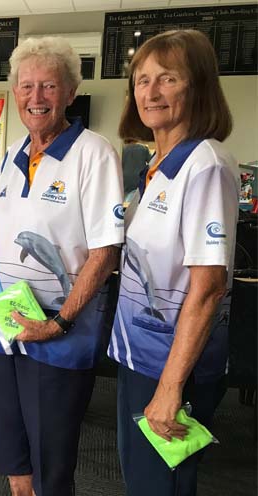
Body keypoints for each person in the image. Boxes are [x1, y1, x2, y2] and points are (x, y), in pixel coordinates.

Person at [0, 37, 124, 496]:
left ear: (70, 92)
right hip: (6, 332)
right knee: (14, 460)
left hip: (61, 337)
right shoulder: (12, 154)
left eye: (49, 86)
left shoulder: (94, 153)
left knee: (51, 468)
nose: (36, 97)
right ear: (15, 93)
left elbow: (106, 251)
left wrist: (58, 322)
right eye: (26, 86)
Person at [111, 29, 238, 496]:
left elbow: (208, 287)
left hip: (172, 368)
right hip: (141, 355)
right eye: (142, 80)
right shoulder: (158, 165)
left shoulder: (205, 165)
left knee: (160, 486)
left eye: (168, 78)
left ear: (198, 85)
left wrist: (170, 386)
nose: (151, 92)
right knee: (142, 480)